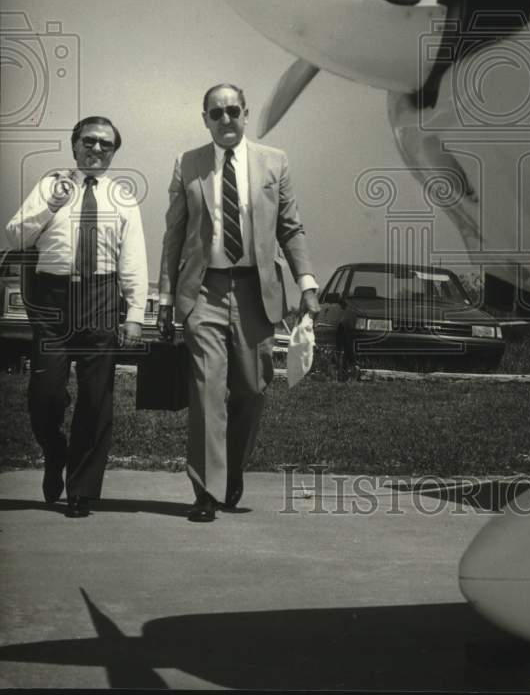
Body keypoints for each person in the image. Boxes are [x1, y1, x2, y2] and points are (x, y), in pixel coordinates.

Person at [157, 84, 319, 523]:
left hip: (255, 290)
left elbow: (291, 227)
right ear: (205, 118)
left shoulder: (274, 161)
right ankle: (206, 490)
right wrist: (166, 296)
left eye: (233, 111)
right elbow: (175, 233)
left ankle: (231, 468)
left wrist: (306, 283)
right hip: (202, 290)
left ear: (245, 114)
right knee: (208, 389)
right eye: (216, 113)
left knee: (251, 388)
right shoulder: (187, 163)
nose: (225, 120)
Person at [5, 116, 148, 517]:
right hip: (52, 300)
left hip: (100, 298)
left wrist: (134, 313)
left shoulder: (123, 198)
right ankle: (55, 452)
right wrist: (50, 205)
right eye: (90, 141)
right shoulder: (50, 186)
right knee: (44, 395)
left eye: (107, 144)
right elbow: (14, 236)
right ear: (74, 144)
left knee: (96, 398)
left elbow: (132, 259)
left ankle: (82, 490)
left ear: (114, 152)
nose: (97, 149)